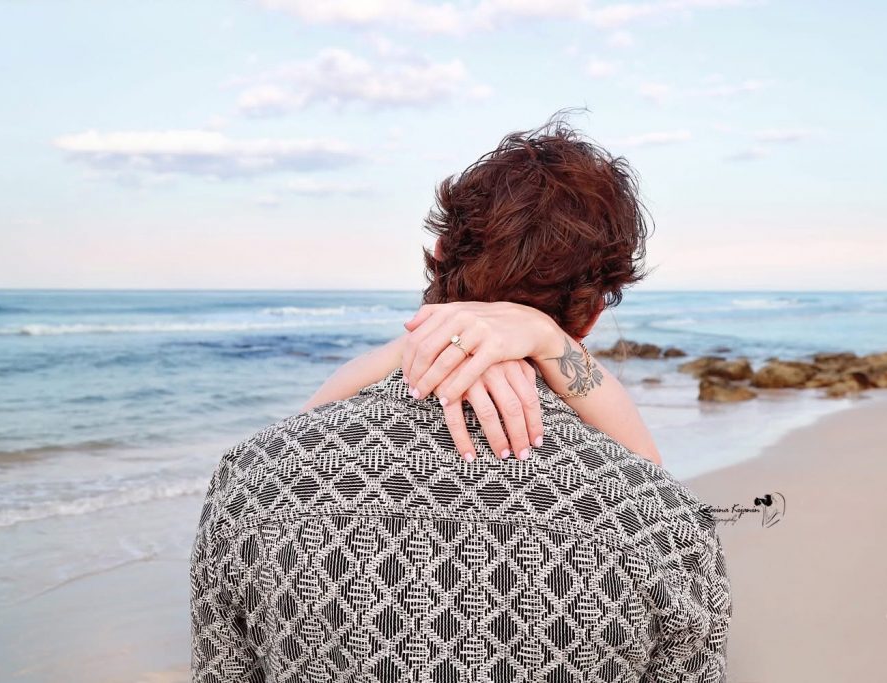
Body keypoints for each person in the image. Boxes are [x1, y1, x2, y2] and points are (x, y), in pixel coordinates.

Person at [190, 113, 732, 682]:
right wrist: (547, 341)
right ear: (596, 310)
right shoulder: (657, 518)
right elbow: (658, 491)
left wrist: (418, 345)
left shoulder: (259, 475)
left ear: (442, 250)